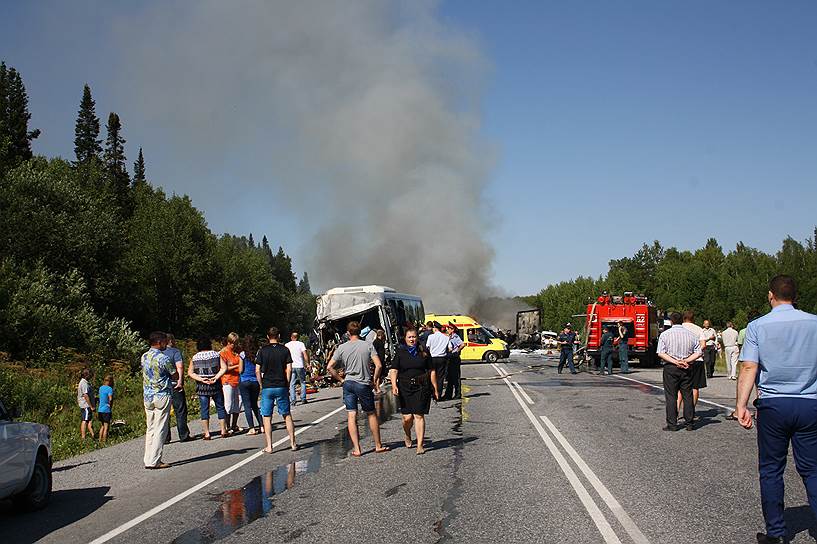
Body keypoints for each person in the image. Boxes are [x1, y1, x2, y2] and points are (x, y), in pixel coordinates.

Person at [735, 275, 817, 544]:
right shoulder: (814, 323)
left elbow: (749, 366)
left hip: (773, 405)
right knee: (813, 469)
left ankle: (777, 534)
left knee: (771, 469)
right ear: (795, 296)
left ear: (771, 295)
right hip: (810, 403)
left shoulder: (758, 326)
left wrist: (741, 404)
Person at [327, 321, 389, 457]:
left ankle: (357, 448)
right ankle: (378, 445)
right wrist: (374, 380)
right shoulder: (367, 345)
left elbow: (329, 367)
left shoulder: (342, 347)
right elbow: (378, 365)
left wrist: (341, 379)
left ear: (348, 333)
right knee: (371, 413)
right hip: (363, 383)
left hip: (348, 383)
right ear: (360, 332)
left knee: (351, 415)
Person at [390, 327, 439, 454]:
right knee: (407, 418)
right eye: (409, 337)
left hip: (421, 386)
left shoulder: (424, 351)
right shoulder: (401, 352)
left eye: (414, 337)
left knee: (419, 415)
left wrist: (435, 388)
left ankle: (420, 445)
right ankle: (407, 434)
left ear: (417, 338)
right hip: (404, 387)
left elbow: (432, 370)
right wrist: (394, 385)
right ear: (405, 339)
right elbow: (394, 370)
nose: (412, 339)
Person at [657, 312, 703, 431]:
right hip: (686, 367)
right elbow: (699, 352)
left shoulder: (665, 335)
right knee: (687, 395)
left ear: (671, 321)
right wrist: (686, 360)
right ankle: (689, 423)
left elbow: (661, 352)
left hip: (671, 367)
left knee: (671, 396)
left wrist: (675, 361)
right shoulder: (691, 335)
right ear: (682, 320)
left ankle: (672, 424)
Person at [141, 331, 178, 469]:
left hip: (148, 395)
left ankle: (147, 458)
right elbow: (174, 375)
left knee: (150, 428)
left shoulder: (144, 356)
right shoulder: (163, 358)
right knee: (160, 428)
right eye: (163, 342)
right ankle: (155, 460)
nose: (165, 344)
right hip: (162, 394)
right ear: (158, 342)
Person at [256, 327, 297, 453]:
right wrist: (287, 383)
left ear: (268, 337)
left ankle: (269, 446)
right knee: (286, 415)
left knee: (267, 416)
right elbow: (289, 369)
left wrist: (261, 384)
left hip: (268, 386)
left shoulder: (262, 351)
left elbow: (257, 370)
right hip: (281, 385)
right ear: (278, 336)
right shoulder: (285, 350)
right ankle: (293, 443)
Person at [188, 336, 227, 440]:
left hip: (202, 386)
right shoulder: (216, 354)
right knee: (220, 407)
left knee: (204, 409)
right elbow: (224, 368)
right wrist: (216, 377)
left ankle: (207, 433)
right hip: (216, 385)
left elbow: (190, 372)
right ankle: (223, 430)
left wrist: (201, 379)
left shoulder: (195, 357)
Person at [163, 333, 191, 443]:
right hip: (175, 384)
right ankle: (183, 435)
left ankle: (165, 437)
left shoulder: (159, 353)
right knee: (180, 410)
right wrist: (180, 381)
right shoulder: (175, 352)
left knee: (165, 411)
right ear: (171, 341)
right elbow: (180, 366)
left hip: (163, 386)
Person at [680, 311, 706, 416]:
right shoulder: (698, 329)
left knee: (679, 388)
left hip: (681, 360)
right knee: (695, 387)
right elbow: (703, 345)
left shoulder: (679, 328)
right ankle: (691, 411)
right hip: (697, 360)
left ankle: (676, 411)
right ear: (693, 319)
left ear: (683, 318)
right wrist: (696, 353)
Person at [238, 335, 262, 435]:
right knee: (255, 405)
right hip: (255, 381)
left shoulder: (242, 354)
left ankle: (252, 428)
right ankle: (262, 425)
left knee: (247, 405)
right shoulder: (258, 353)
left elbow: (240, 370)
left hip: (244, 381)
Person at [220, 333, 243, 435]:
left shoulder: (237, 352)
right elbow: (224, 368)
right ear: (228, 342)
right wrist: (238, 365)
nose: (235, 345)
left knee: (238, 403)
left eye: (236, 343)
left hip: (238, 380)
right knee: (228, 405)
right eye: (233, 343)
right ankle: (227, 426)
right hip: (227, 381)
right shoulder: (223, 353)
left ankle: (234, 424)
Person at [285, 331, 310, 405]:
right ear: (298, 337)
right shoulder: (301, 344)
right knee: (303, 382)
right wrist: (308, 363)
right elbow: (305, 354)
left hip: (291, 366)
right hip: (300, 365)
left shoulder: (287, 345)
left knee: (292, 383)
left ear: (291, 337)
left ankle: (293, 400)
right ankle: (303, 398)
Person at [425, 321, 450, 395]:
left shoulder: (430, 337)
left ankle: (433, 392)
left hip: (432, 358)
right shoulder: (446, 337)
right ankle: (439, 394)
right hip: (442, 358)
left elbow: (427, 346)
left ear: (435, 328)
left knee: (432, 376)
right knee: (440, 377)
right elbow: (450, 348)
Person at [444, 325, 464, 400]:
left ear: (452, 330)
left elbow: (462, 344)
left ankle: (458, 394)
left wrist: (457, 351)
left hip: (454, 358)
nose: (447, 330)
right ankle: (448, 395)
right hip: (449, 358)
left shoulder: (455, 337)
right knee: (450, 377)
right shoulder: (448, 336)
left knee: (456, 377)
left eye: (448, 329)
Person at [77, 367, 95, 440]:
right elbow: (85, 395)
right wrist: (91, 406)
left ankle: (93, 435)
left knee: (89, 420)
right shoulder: (84, 383)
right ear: (87, 375)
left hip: (85, 404)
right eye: (90, 375)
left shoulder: (85, 382)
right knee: (85, 420)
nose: (91, 376)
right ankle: (83, 437)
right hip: (86, 405)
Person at [97, 374, 114, 443]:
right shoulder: (110, 389)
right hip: (106, 410)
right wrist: (110, 405)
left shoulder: (101, 388)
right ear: (110, 381)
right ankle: (104, 442)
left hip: (100, 409)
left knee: (102, 426)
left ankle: (99, 440)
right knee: (106, 426)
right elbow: (110, 398)